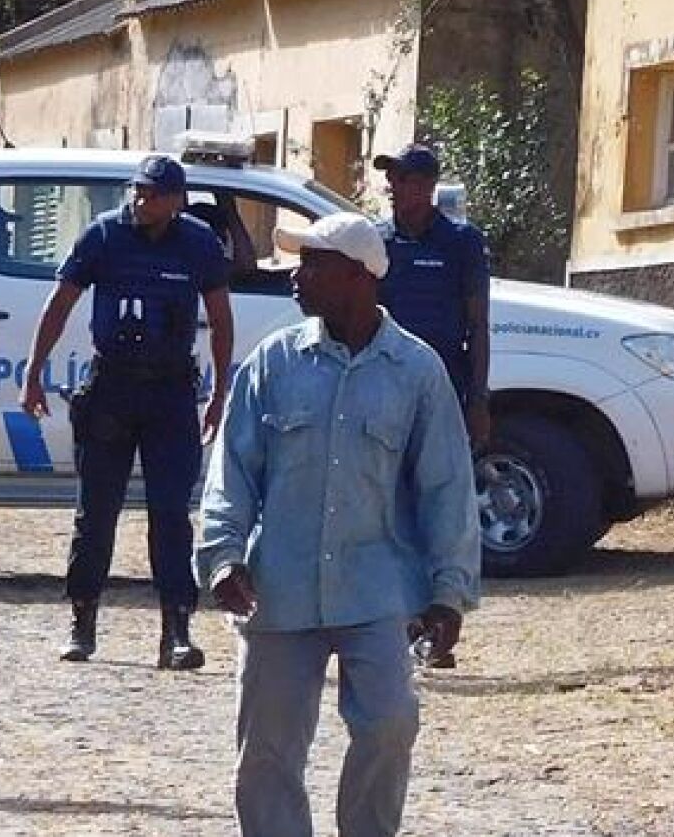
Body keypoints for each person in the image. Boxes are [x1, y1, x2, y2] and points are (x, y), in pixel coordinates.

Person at [195, 211, 479, 837]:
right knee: (268, 750)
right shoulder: (274, 364)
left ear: (357, 275)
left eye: (312, 264)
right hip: (278, 590)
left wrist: (448, 592)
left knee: (389, 723)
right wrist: (222, 556)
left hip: (377, 588)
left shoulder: (416, 371)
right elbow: (233, 470)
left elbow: (446, 487)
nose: (297, 277)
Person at [20, 153, 233, 669]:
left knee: (170, 514)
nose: (142, 201)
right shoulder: (103, 236)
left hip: (170, 392)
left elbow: (221, 319)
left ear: (178, 200)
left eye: (155, 193)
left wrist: (220, 394)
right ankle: (83, 619)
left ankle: (176, 631)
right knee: (96, 512)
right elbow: (60, 301)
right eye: (138, 190)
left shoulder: (198, 243)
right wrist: (33, 372)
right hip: (111, 386)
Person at [371, 144, 494, 450]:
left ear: (427, 185)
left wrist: (478, 401)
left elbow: (478, 325)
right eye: (390, 178)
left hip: (443, 384)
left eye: (401, 178)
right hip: (385, 385)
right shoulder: (377, 239)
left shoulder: (461, 241)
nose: (391, 187)